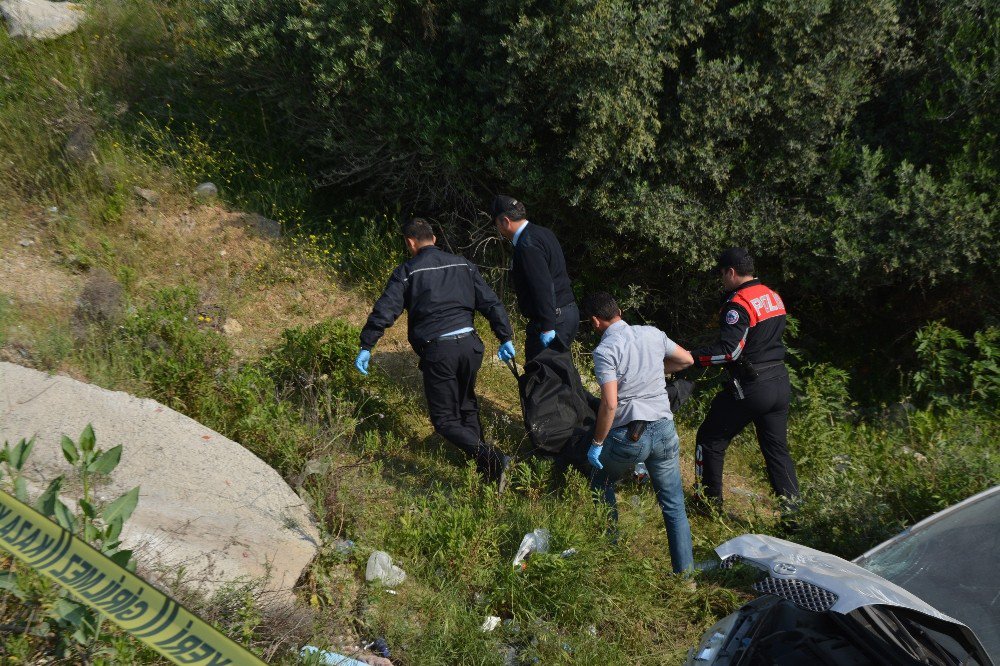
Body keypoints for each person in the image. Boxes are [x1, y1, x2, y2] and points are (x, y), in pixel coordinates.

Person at [354, 218, 516, 483]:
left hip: (440, 350)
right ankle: (487, 473)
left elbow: (386, 309)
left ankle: (493, 458)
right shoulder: (463, 264)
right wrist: (505, 336)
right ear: (435, 239)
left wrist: (367, 344)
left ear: (410, 242)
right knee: (467, 406)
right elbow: (491, 302)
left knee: (444, 420)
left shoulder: (408, 271)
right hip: (470, 346)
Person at [583, 291, 694, 573]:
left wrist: (597, 442)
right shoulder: (653, 334)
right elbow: (686, 360)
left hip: (630, 436)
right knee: (674, 506)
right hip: (665, 429)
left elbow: (609, 403)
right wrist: (656, 370)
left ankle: (607, 553)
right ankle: (686, 578)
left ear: (596, 322)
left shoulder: (605, 351)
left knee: (600, 480)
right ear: (619, 310)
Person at [689, 247, 800, 514]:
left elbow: (730, 351)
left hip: (752, 384)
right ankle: (794, 516)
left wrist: (690, 358)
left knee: (710, 438)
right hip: (780, 382)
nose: (721, 280)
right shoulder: (772, 296)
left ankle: (708, 504)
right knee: (776, 451)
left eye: (722, 274)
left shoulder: (739, 303)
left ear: (730, 272)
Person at [492, 195, 579, 360]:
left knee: (543, 379)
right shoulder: (543, 232)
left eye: (496, 224)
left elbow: (542, 285)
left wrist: (547, 326)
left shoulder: (527, 245)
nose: (498, 230)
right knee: (562, 374)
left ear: (505, 221)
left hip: (553, 319)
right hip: (568, 312)